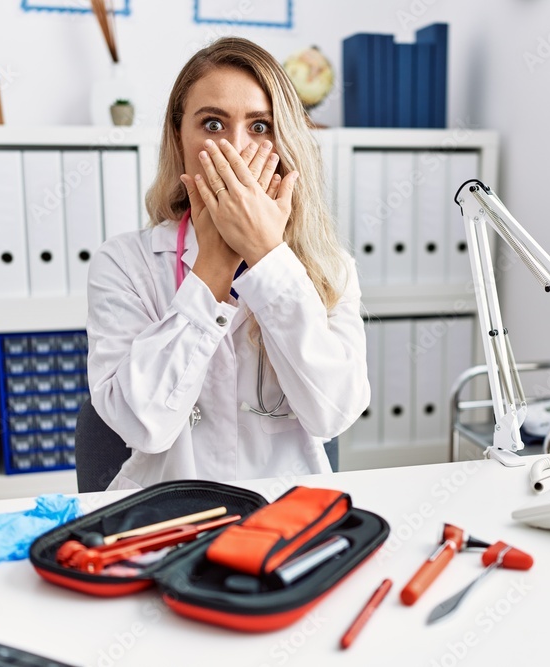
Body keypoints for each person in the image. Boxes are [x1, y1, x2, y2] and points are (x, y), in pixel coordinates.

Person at [86, 37, 369, 490]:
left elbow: (333, 414)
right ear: (179, 138)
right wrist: (213, 267)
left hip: (285, 519)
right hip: (164, 523)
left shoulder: (329, 266)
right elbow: (142, 425)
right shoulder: (123, 263)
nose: (235, 150)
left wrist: (267, 257)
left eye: (260, 127)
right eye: (213, 123)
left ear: (287, 141)